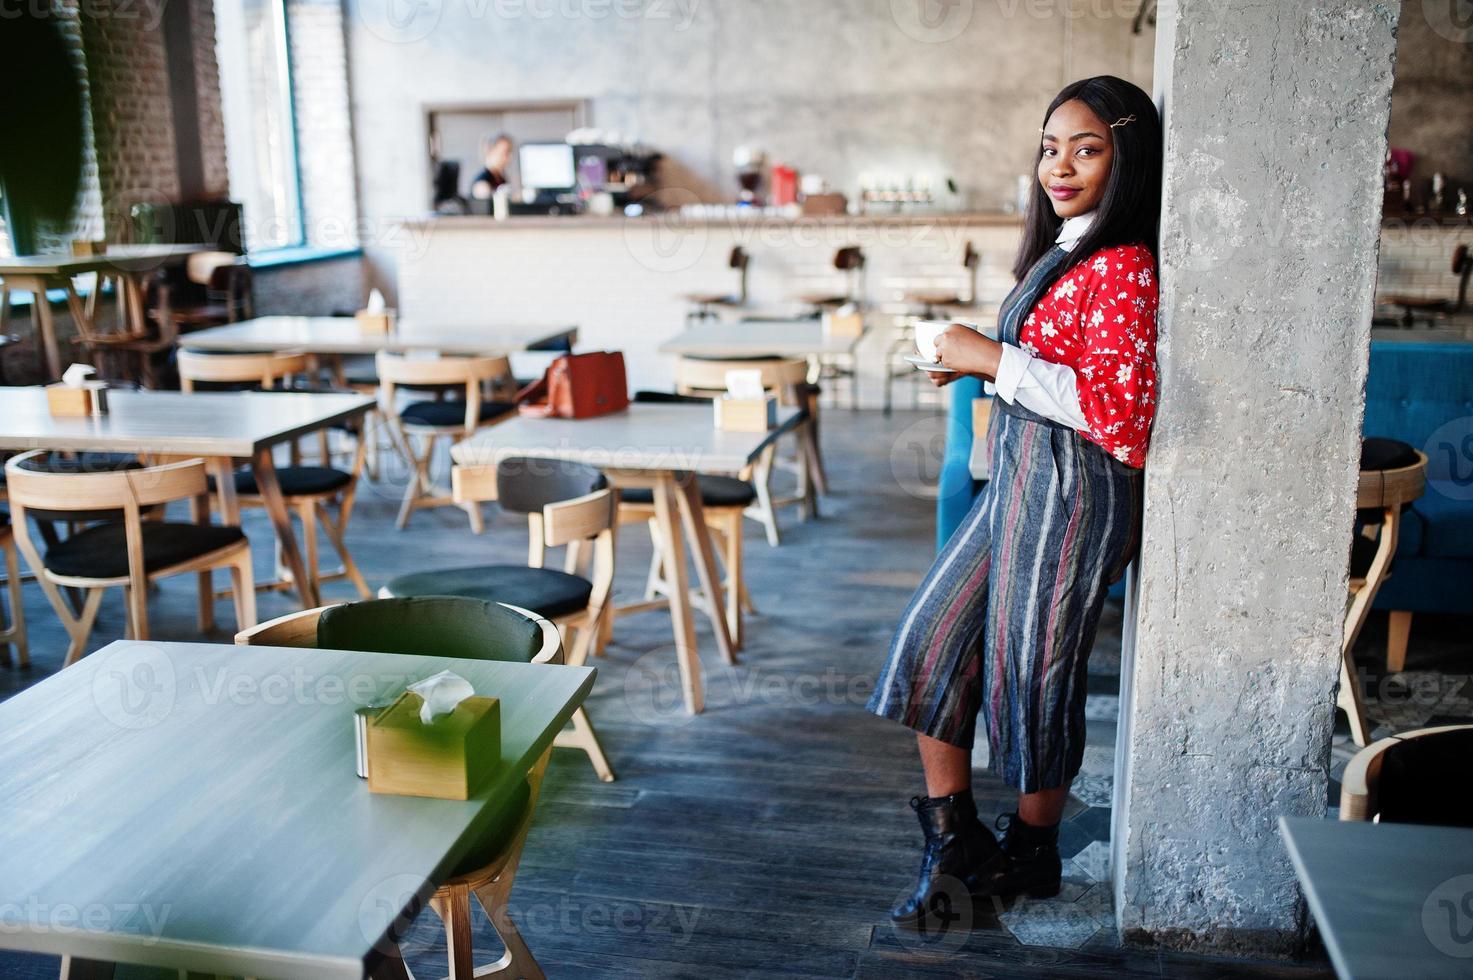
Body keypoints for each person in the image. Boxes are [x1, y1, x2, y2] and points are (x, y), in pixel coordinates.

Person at [868, 75, 1163, 930]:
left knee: (1033, 675)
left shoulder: (1123, 264)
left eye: (1086, 148)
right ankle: (954, 839)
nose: (1059, 165)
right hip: (1023, 478)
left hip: (1076, 491)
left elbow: (1122, 417)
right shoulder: (1066, 245)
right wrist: (975, 356)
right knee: (930, 639)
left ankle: (1032, 852)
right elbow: (1053, 370)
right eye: (1049, 146)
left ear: (1126, 156)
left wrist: (991, 361)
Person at [470, 133, 514, 200]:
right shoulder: (482, 182)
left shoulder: (502, 179)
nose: (510, 157)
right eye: (505, 152)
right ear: (490, 151)